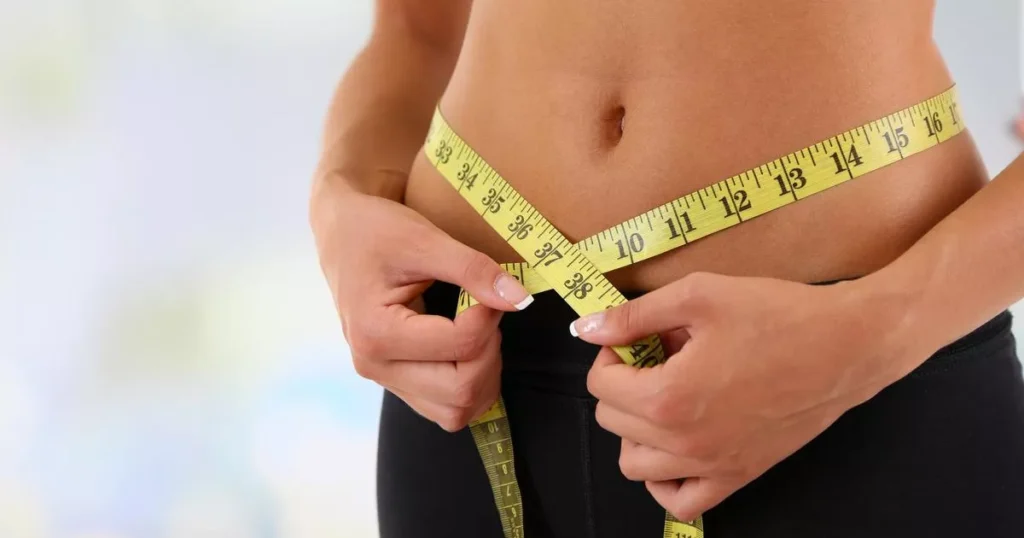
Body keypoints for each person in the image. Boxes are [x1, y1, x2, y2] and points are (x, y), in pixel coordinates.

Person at [309, 1, 1024, 537]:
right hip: (467, 365)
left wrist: (878, 331)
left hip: (840, 385)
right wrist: (340, 197)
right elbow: (419, 29)